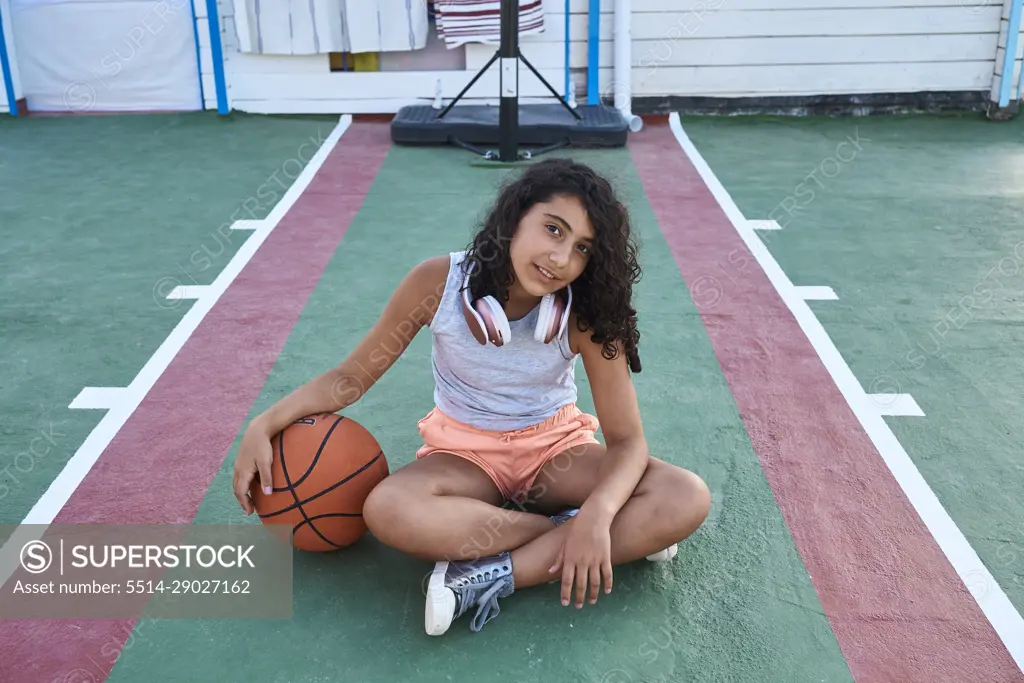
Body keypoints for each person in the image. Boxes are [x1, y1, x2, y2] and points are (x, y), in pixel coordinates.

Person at [232, 158, 711, 636]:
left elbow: (627, 440)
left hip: (556, 451)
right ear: (515, 217)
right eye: (552, 229)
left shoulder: (584, 313)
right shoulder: (436, 283)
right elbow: (351, 378)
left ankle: (491, 576)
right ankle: (565, 530)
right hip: (462, 453)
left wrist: (601, 511)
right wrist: (265, 422)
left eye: (582, 247)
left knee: (684, 496)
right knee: (388, 510)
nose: (561, 258)